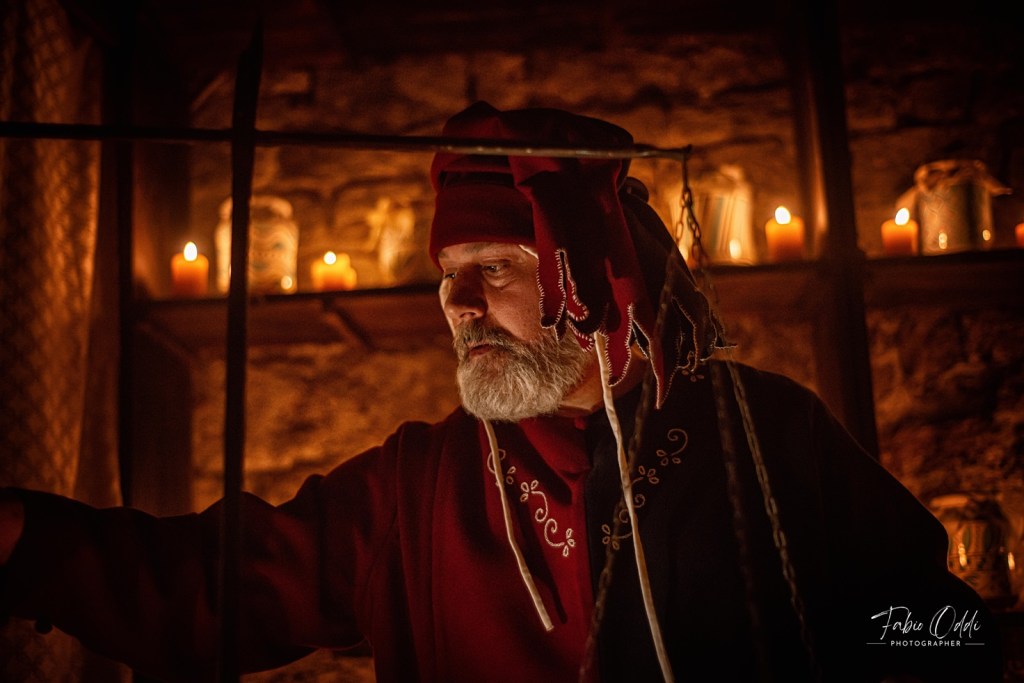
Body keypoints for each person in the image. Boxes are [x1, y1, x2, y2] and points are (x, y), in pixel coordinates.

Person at [0, 102, 1004, 682]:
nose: (457, 301)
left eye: (493, 266)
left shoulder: (769, 433)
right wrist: (24, 541)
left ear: (591, 277)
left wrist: (852, 645)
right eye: (447, 274)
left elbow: (945, 625)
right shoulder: (419, 483)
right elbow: (208, 589)